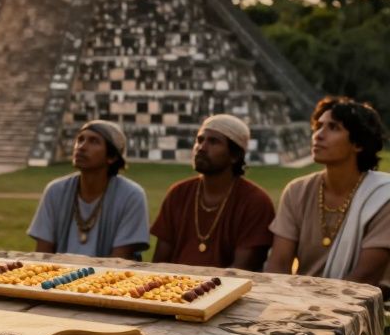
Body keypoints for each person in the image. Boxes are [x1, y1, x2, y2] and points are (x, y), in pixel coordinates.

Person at [266, 97, 390, 290]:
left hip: (361, 307)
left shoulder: (383, 197)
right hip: (297, 303)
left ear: (358, 144)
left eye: (333, 128)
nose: (318, 135)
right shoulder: (297, 191)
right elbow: (278, 265)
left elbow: (365, 276)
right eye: (318, 126)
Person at [150, 115, 274, 269]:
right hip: (174, 288)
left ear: (235, 156)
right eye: (200, 140)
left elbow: (241, 271)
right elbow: (159, 263)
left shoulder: (255, 202)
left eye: (213, 142)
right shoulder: (178, 194)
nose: (201, 148)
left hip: (227, 290)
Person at [29, 121, 149, 260]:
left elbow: (119, 261)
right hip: (57, 278)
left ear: (112, 157)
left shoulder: (132, 196)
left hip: (107, 279)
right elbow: (42, 255)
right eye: (80, 139)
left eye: (94, 141)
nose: (81, 147)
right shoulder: (55, 191)